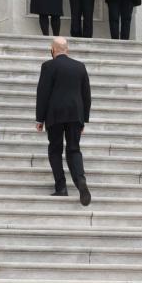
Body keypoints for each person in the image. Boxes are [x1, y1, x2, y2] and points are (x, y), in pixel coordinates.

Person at [35, 37, 92, 206]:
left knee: (55, 149)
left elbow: (43, 93)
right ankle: (80, 181)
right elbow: (86, 95)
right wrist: (84, 120)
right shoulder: (79, 67)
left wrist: (40, 118)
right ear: (67, 49)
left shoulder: (48, 66)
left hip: (55, 115)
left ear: (53, 50)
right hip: (75, 115)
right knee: (74, 149)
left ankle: (61, 187)